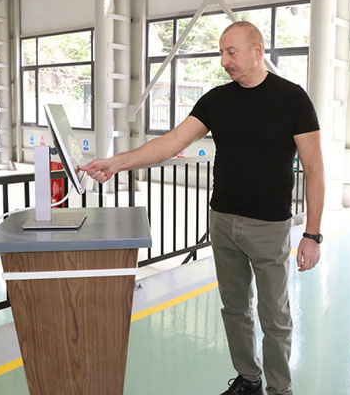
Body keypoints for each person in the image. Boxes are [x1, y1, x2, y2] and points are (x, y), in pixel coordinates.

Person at [79, 21, 324, 395]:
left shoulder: (293, 99)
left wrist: (312, 234)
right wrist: (115, 163)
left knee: (274, 316)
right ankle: (249, 379)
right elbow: (171, 142)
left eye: (232, 52)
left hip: (269, 226)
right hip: (222, 221)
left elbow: (315, 169)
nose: (225, 60)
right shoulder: (216, 100)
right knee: (235, 309)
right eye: (221, 52)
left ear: (257, 51)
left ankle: (280, 389)